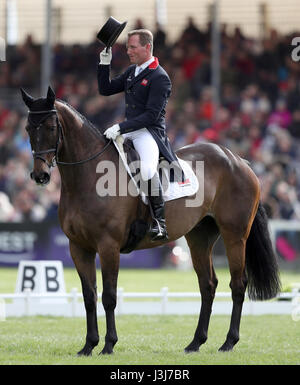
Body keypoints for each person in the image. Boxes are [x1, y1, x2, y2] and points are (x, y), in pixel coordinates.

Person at [97, 29, 179, 241]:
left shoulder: (160, 77)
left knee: (147, 169)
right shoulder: (132, 71)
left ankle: (160, 223)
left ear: (147, 47)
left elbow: (152, 116)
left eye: (133, 47)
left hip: (147, 133)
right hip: (129, 130)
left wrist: (121, 127)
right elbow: (105, 89)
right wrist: (104, 64)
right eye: (127, 47)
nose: (128, 51)